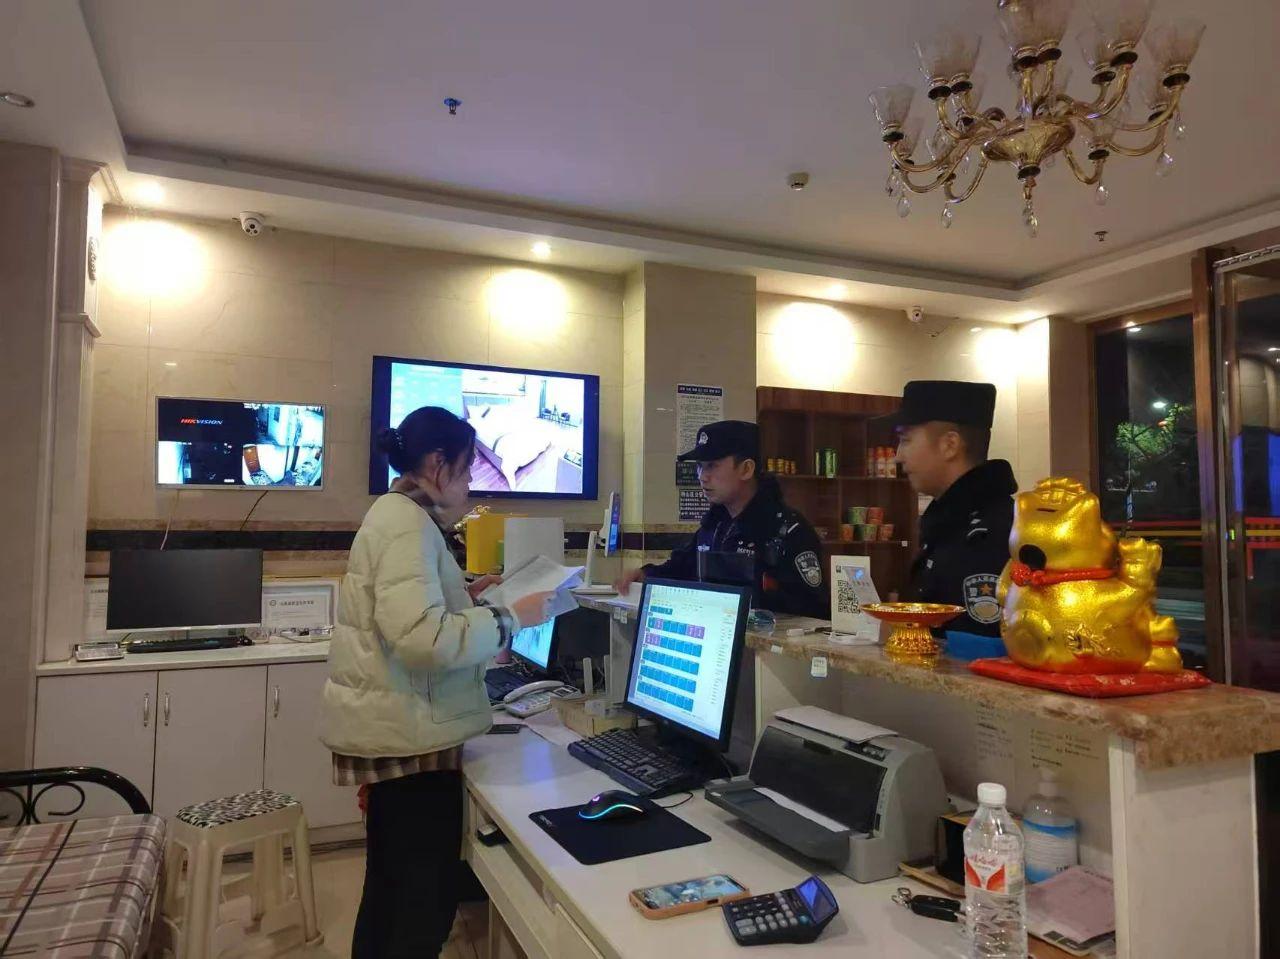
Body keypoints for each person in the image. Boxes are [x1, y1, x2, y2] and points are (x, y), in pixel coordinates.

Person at [321, 406, 553, 959]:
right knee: (418, 909)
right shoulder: (406, 525)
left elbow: (405, 613)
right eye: (468, 470)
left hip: (401, 729)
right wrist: (510, 617)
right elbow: (422, 640)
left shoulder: (396, 515)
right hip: (411, 740)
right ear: (436, 464)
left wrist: (464, 597)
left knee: (389, 894)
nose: (471, 484)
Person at [614, 420, 829, 618]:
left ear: (746, 469)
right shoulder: (715, 525)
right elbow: (682, 569)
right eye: (700, 466)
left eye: (712, 465)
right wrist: (644, 575)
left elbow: (814, 611)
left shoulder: (787, 530)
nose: (702, 476)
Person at [891, 380, 1018, 637]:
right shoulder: (947, 521)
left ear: (950, 445)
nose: (898, 456)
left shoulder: (994, 533)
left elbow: (979, 647)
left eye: (906, 440)